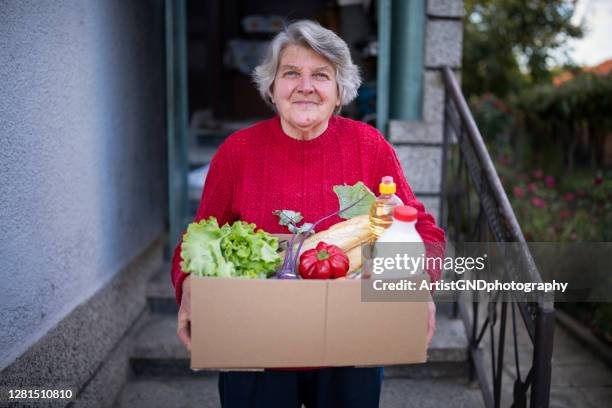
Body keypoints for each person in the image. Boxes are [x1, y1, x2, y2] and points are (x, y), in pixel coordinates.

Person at [171, 20, 445, 408]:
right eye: (291, 73)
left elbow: (424, 232)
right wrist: (190, 285)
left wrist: (417, 283)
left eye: (321, 75)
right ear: (272, 86)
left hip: (351, 343)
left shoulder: (369, 146)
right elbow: (197, 240)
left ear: (339, 92)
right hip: (254, 343)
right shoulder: (237, 152)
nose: (305, 86)